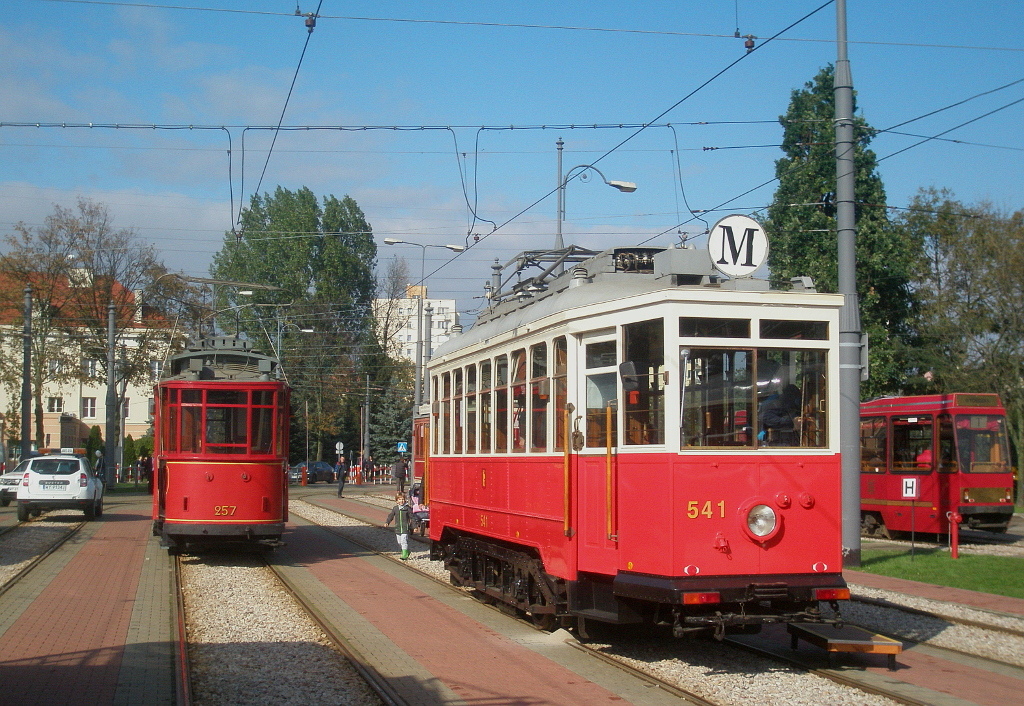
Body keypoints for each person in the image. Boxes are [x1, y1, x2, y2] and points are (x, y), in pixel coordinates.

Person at [384, 493, 413, 560]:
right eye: (399, 499)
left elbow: (412, 518)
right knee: (399, 542)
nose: (401, 501)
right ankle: (406, 551)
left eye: (403, 499)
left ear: (405, 500)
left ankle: (404, 555)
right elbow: (391, 516)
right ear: (397, 501)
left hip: (405, 528)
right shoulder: (395, 509)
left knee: (404, 541)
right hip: (398, 528)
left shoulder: (407, 508)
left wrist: (414, 527)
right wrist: (387, 522)